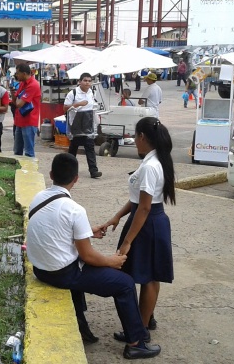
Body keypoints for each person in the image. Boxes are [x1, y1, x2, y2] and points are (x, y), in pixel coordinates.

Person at [26, 153, 161, 360]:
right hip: (62, 274)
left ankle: (82, 325)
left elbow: (54, 230)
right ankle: (136, 343)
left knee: (89, 270)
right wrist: (112, 261)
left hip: (40, 270)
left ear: (51, 174)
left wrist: (88, 231)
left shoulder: (39, 198)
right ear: (76, 178)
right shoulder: (74, 210)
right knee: (124, 283)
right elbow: (88, 256)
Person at [103, 117, 175, 346]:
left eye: (135, 137)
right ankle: (142, 322)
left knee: (149, 278)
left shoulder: (151, 166)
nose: (134, 141)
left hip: (147, 224)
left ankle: (141, 329)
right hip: (146, 220)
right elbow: (137, 200)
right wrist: (117, 216)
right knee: (145, 274)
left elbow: (144, 206)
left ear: (142, 137)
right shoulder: (153, 161)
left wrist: (127, 242)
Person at [65, 73, 102, 178]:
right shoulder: (73, 93)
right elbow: (65, 108)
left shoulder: (91, 92)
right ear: (79, 81)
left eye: (89, 81)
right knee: (73, 149)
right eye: (85, 80)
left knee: (90, 148)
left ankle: (93, 171)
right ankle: (69, 171)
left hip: (88, 124)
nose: (87, 83)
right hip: (76, 125)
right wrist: (78, 104)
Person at [13, 63, 41, 157]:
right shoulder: (22, 83)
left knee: (29, 152)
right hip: (19, 120)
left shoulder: (33, 85)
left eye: (18, 73)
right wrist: (17, 98)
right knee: (17, 151)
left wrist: (17, 99)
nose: (16, 75)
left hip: (29, 121)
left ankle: (30, 171)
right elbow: (15, 99)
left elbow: (19, 103)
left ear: (24, 73)